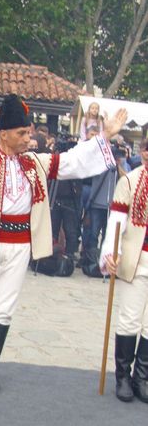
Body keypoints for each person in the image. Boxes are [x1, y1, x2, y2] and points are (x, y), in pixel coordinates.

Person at [0, 93, 126, 395]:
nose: (27, 137)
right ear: (4, 134)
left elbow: (73, 161)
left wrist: (106, 134)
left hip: (20, 245)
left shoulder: (36, 162)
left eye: (28, 132)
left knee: (4, 307)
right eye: (21, 133)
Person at [101, 160, 148, 403]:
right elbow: (116, 222)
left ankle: (142, 377)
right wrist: (112, 252)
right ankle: (123, 376)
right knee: (130, 319)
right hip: (136, 257)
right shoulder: (130, 181)